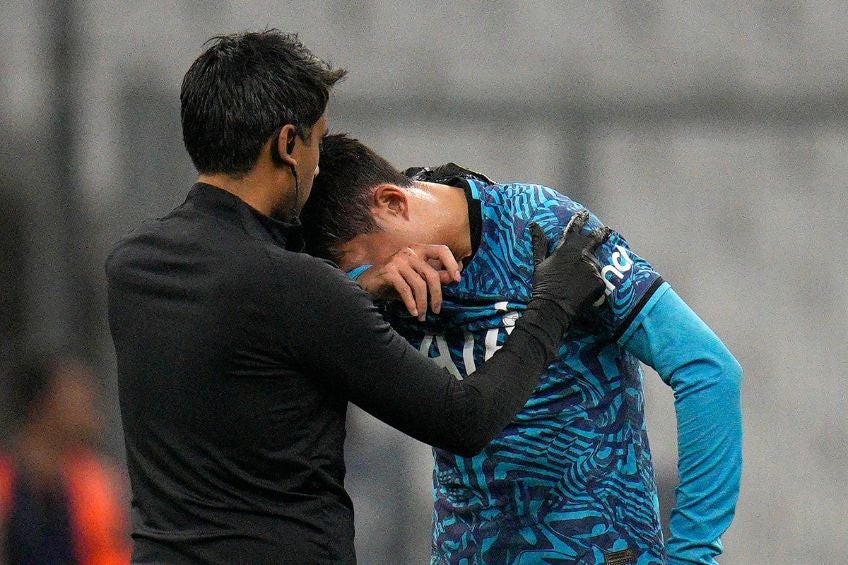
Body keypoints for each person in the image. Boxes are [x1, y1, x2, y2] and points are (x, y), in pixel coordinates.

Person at [104, 31, 609, 564]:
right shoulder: (296, 289)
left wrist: (358, 290)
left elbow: (242, 344)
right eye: (318, 141)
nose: (319, 165)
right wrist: (554, 300)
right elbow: (465, 419)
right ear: (287, 145)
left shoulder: (133, 268)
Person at [299, 134, 744, 565]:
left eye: (358, 265)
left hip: (599, 549)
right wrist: (360, 286)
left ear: (394, 203)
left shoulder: (541, 227)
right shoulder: (367, 294)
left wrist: (692, 554)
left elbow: (707, 369)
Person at [0, 354, 131, 565]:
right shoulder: (6, 482)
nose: (89, 402)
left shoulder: (95, 481)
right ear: (41, 405)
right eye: (74, 392)